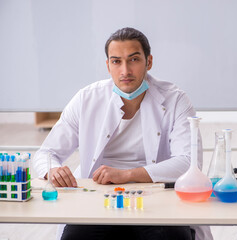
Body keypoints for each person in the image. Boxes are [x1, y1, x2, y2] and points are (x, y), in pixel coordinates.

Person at [33, 27, 213, 240]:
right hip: (99, 202)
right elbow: (46, 153)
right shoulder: (87, 99)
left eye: (134, 60)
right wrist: (52, 171)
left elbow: (188, 163)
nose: (125, 71)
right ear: (108, 65)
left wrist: (127, 174)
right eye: (116, 61)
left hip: (158, 201)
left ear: (149, 62)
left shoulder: (175, 99)